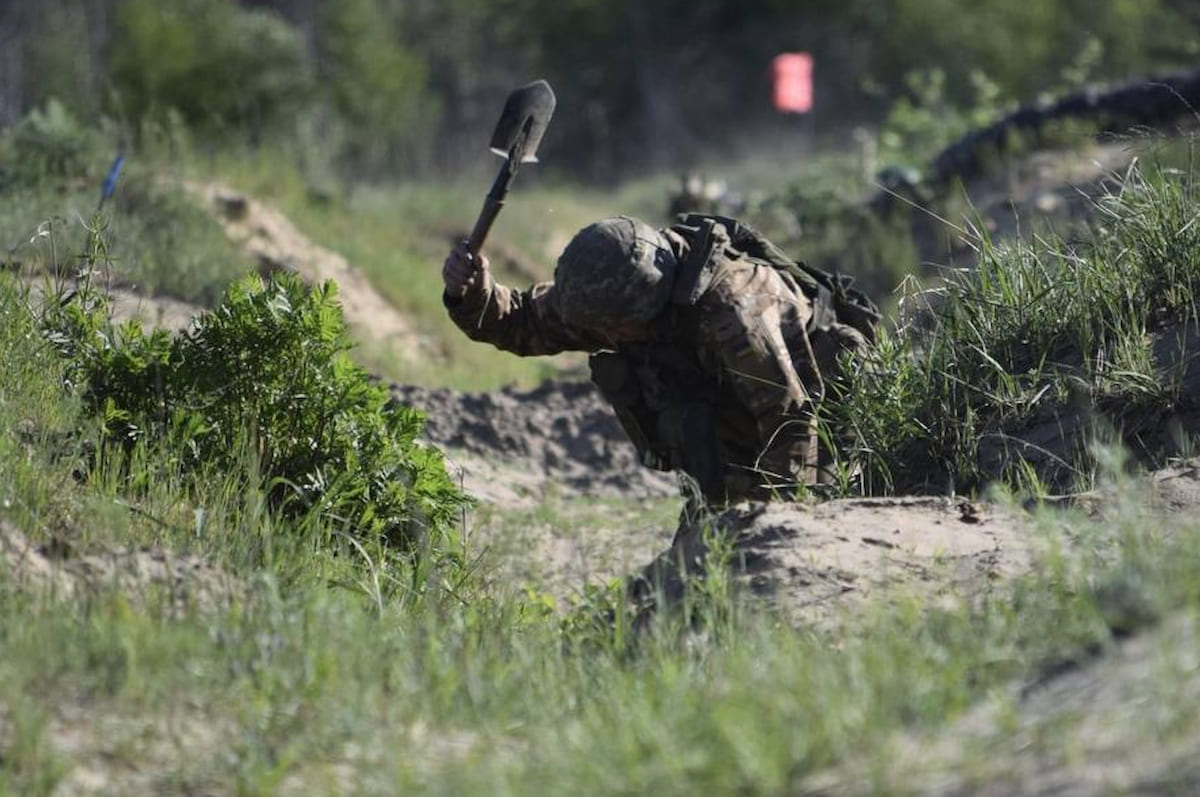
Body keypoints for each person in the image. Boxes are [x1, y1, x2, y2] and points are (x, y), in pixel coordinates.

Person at [442, 214, 874, 521]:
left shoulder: (733, 310)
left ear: (643, 308)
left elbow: (792, 422)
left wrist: (779, 528)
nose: (605, 339)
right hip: (737, 442)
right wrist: (473, 291)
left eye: (614, 330)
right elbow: (523, 322)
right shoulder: (610, 295)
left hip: (826, 427)